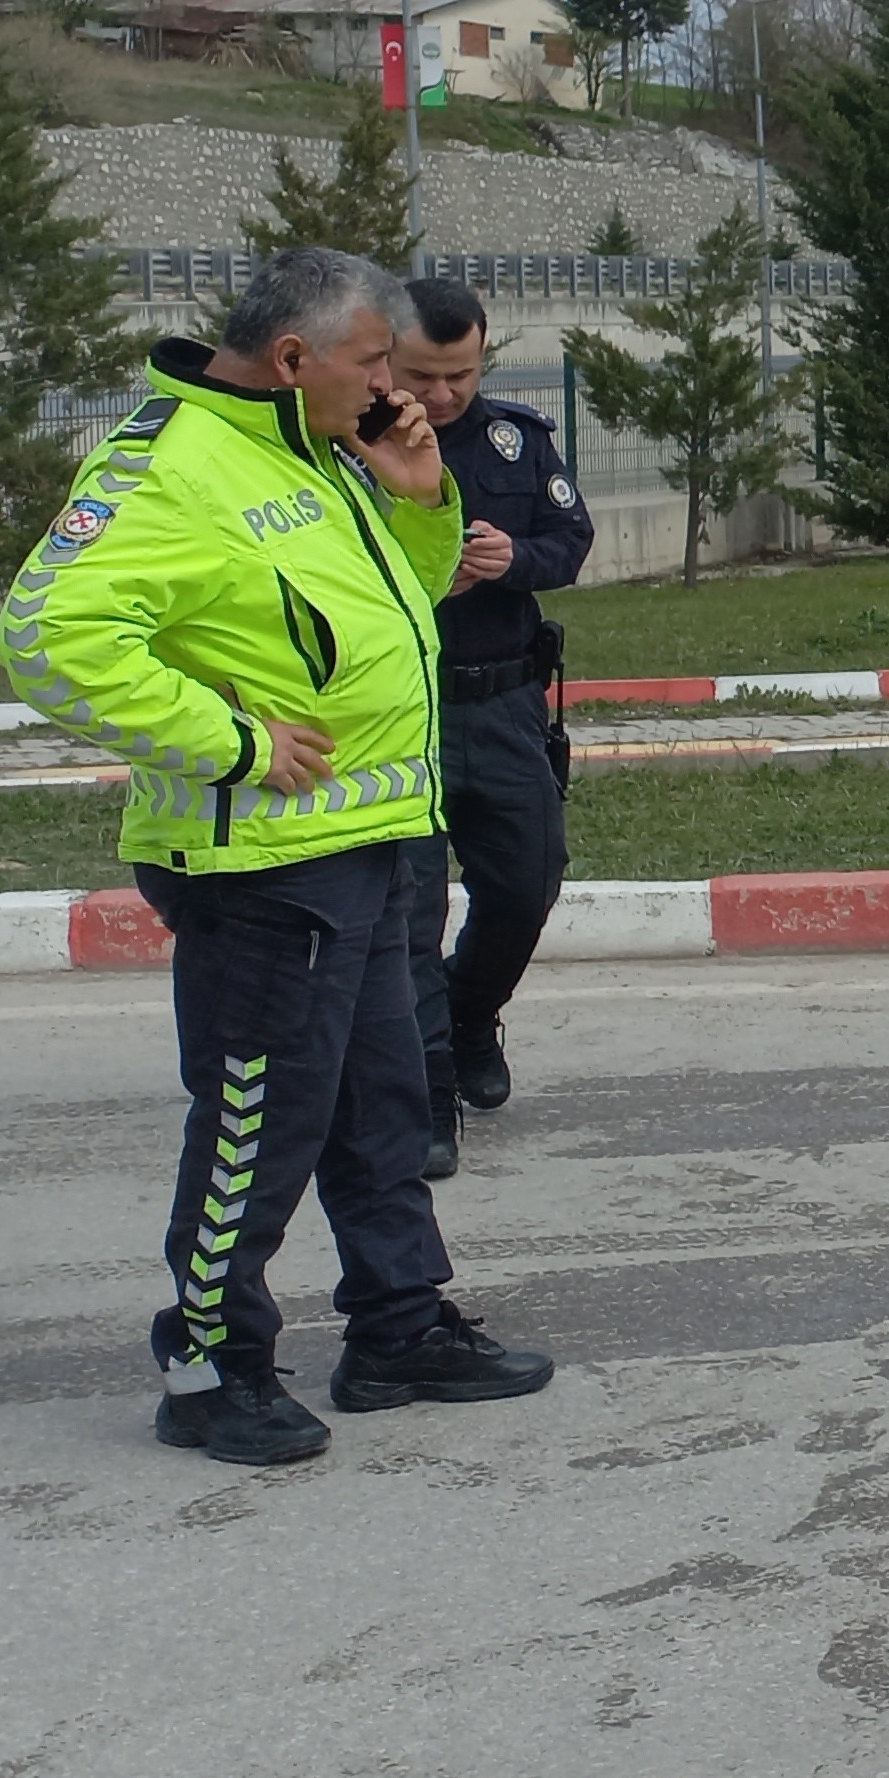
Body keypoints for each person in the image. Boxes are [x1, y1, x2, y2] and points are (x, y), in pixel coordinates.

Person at [0, 247, 556, 1468]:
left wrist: (417, 499)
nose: (392, 387)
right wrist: (232, 744)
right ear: (294, 358)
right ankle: (210, 1365)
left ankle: (397, 1328)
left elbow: (376, 629)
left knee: (383, 1106)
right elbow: (46, 635)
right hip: (261, 864)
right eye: (373, 365)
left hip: (369, 841)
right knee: (260, 1121)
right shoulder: (170, 468)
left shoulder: (315, 452)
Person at [390, 277, 592, 1163]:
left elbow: (570, 541)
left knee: (526, 884)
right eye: (424, 376)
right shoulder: (351, 447)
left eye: (459, 376)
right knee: (408, 914)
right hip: (400, 714)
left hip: (504, 704)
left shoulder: (516, 442)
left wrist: (515, 561)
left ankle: (470, 1017)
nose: (440, 396)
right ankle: (425, 1098)